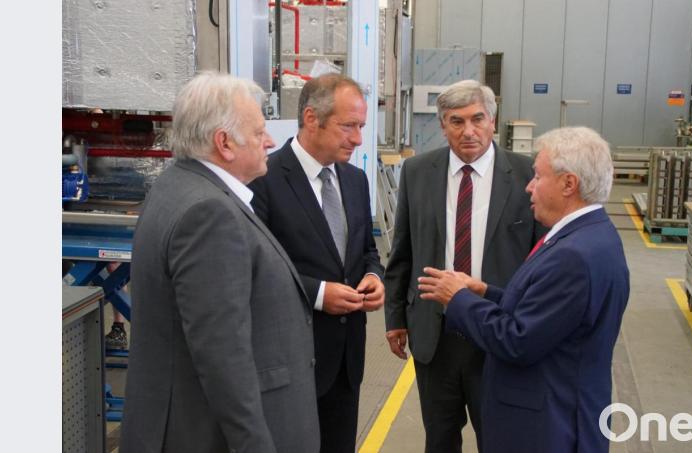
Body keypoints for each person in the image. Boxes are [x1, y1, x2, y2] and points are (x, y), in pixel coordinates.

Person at [120, 72, 319, 453]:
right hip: (205, 434)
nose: (270, 141)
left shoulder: (177, 185)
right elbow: (222, 355)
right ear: (224, 143)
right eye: (260, 131)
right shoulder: (210, 214)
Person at [417, 126, 630, 453]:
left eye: (537, 177)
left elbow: (517, 340)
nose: (529, 187)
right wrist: (485, 291)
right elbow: (548, 313)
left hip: (548, 426)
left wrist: (457, 298)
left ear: (568, 183)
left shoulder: (573, 256)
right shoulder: (588, 235)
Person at [383, 79, 546, 453]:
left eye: (477, 119)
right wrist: (395, 318)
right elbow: (403, 252)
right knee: (439, 439)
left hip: (498, 334)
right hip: (435, 336)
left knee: (501, 439)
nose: (468, 131)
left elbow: (541, 261)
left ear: (493, 120)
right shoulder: (417, 172)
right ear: (443, 125)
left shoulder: (527, 176)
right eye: (456, 121)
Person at [248, 73, 384, 453]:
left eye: (360, 127)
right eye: (348, 126)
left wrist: (374, 276)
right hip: (291, 361)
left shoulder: (355, 180)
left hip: (346, 362)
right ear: (311, 118)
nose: (357, 139)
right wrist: (319, 294)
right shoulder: (264, 179)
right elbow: (254, 268)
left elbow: (366, 250)